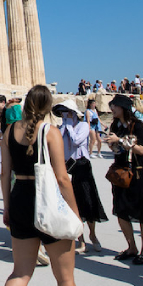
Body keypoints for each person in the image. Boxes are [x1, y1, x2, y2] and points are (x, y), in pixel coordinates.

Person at [0, 85, 84, 286]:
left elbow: (5, 174)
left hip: (20, 201)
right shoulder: (50, 132)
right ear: (48, 106)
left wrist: (7, 207)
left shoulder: (8, 131)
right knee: (65, 278)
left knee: (20, 273)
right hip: (48, 202)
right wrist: (75, 215)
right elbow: (62, 179)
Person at [106, 95, 143, 265]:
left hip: (137, 172)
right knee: (121, 211)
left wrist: (119, 141)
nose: (112, 109)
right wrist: (112, 143)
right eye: (111, 106)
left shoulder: (139, 126)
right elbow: (117, 148)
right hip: (121, 172)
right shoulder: (115, 125)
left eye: (115, 106)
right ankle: (131, 247)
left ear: (123, 108)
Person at [55, 100, 107, 252]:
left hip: (82, 165)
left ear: (72, 112)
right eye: (62, 112)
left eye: (66, 111)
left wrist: (69, 127)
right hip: (67, 167)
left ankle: (93, 235)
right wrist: (63, 128)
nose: (64, 115)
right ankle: (81, 240)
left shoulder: (83, 126)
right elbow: (58, 144)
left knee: (87, 200)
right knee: (72, 204)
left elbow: (77, 141)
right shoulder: (62, 128)